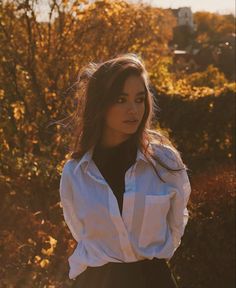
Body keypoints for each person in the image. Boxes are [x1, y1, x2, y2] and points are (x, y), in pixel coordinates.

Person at [59, 53, 191, 288]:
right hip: (97, 282)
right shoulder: (76, 172)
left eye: (139, 99)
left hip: (153, 280)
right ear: (101, 104)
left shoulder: (164, 162)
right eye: (121, 99)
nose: (133, 110)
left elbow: (176, 223)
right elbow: (80, 232)